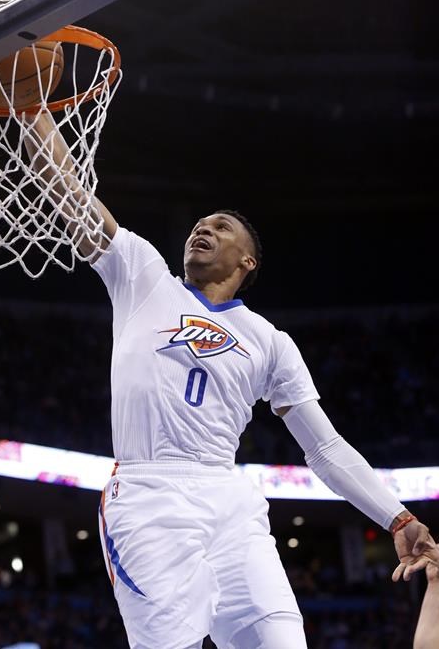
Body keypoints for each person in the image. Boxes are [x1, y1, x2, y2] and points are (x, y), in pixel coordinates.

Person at [24, 113, 434, 649]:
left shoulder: (269, 340)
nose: (203, 229)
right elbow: (70, 195)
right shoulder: (143, 277)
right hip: (150, 494)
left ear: (247, 259)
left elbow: (326, 448)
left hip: (229, 500)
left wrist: (396, 516)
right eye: (200, 223)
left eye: (221, 226)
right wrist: (29, 112)